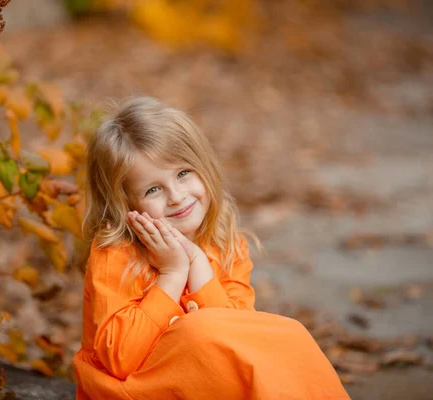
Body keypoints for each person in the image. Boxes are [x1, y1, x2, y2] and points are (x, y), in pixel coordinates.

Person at [72, 96, 350, 400]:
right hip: (132, 391)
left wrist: (198, 263)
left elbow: (241, 338)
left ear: (203, 167)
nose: (176, 196)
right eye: (153, 189)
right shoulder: (116, 254)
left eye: (183, 173)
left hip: (202, 385)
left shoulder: (225, 243)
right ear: (126, 204)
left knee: (288, 335)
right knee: (198, 332)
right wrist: (173, 272)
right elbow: (121, 359)